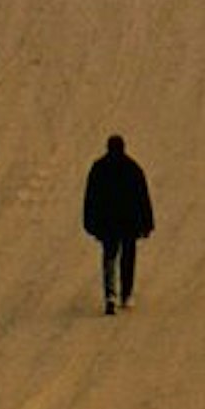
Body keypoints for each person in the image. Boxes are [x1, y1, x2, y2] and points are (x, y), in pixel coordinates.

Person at [82, 134, 154, 313]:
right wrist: (147, 223)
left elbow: (90, 198)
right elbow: (142, 198)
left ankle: (110, 294)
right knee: (128, 258)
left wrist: (90, 222)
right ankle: (126, 294)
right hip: (129, 222)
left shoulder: (99, 168)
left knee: (110, 256)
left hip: (108, 222)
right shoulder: (132, 168)